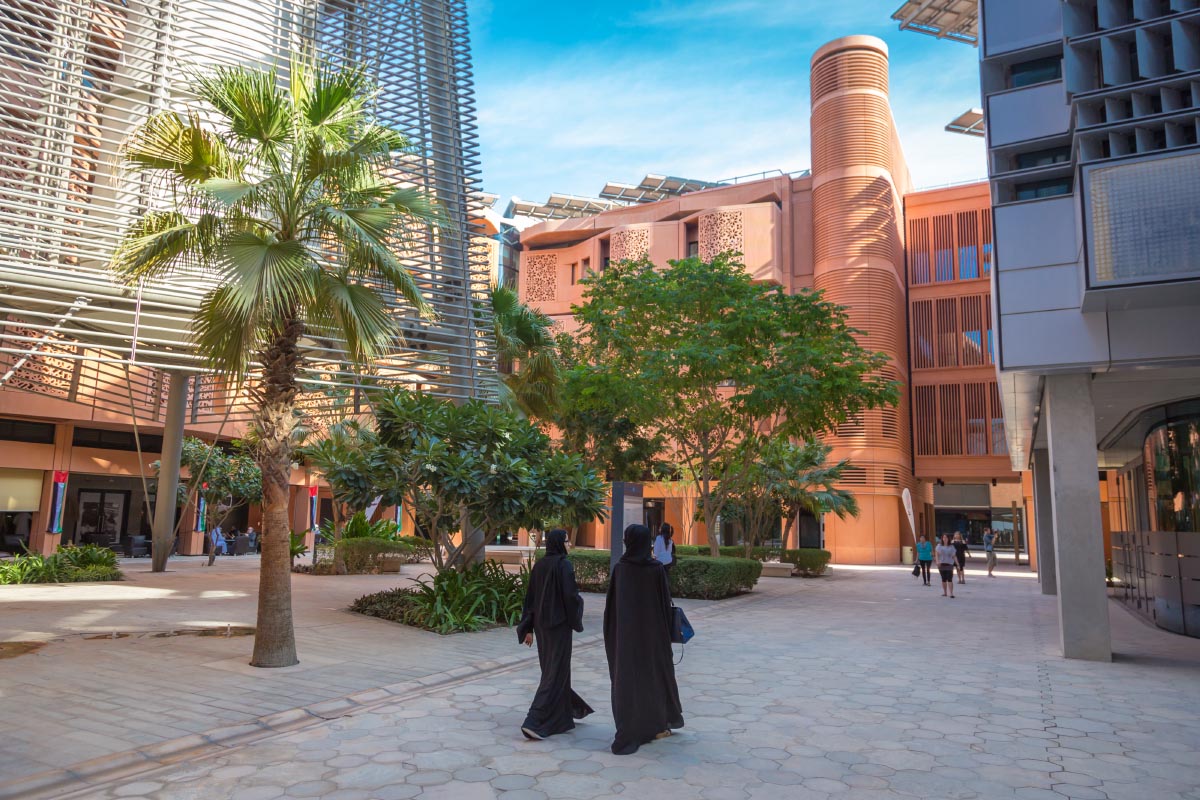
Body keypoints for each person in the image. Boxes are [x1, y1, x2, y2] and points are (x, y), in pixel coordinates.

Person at [604, 523, 685, 755]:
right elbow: (664, 603)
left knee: (628, 681)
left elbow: (612, 609)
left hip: (626, 638)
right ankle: (657, 725)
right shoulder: (655, 569)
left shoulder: (621, 569)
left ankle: (631, 728)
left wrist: (614, 636)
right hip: (653, 636)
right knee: (654, 677)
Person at [516, 529, 593, 740]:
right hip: (558, 627)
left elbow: (530, 599)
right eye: (567, 541)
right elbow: (571, 597)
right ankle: (533, 720)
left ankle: (563, 715)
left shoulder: (540, 565)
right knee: (553, 672)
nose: (569, 544)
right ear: (560, 543)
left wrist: (528, 628)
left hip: (542, 627)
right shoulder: (563, 565)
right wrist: (577, 613)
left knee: (553, 670)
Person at [936, 534, 957, 598]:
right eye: (943, 537)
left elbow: (954, 556)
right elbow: (936, 555)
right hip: (941, 564)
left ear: (948, 539)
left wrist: (957, 563)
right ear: (942, 538)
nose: (945, 539)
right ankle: (945, 592)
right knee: (943, 579)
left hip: (949, 564)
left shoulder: (951, 547)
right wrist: (937, 562)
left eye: (946, 537)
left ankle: (951, 593)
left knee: (949, 579)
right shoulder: (939, 546)